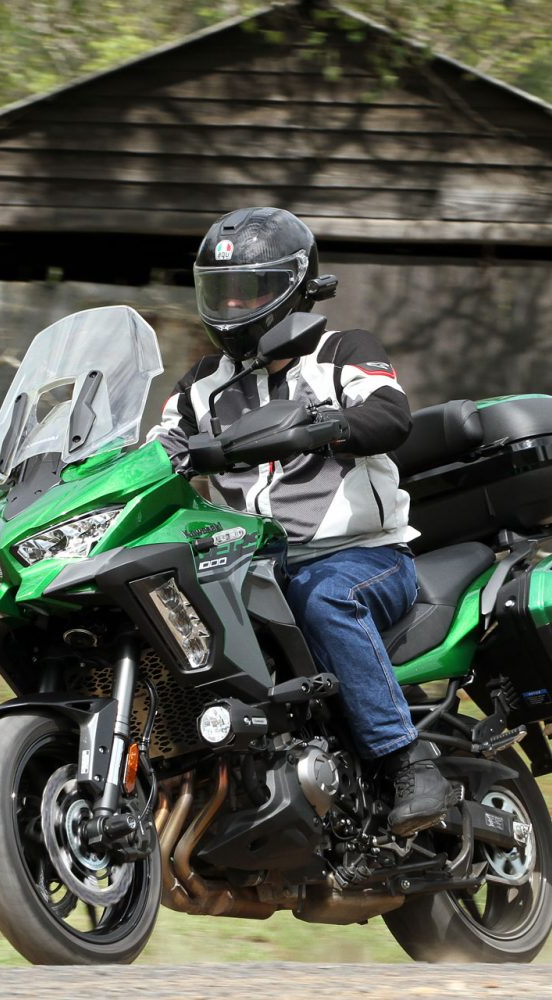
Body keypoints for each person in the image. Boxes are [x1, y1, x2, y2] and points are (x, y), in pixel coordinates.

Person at [149, 206, 453, 835]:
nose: (233, 305)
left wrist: (331, 426)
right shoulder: (200, 386)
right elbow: (154, 451)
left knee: (324, 596)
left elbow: (392, 416)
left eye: (249, 290)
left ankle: (409, 760)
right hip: (248, 565)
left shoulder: (342, 353)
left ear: (292, 285)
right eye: (221, 291)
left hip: (361, 557)